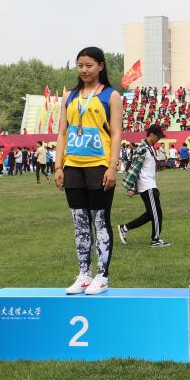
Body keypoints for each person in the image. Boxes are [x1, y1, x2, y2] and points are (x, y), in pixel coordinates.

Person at [54, 46, 123, 296]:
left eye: (89, 65)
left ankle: (102, 276)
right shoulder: (69, 97)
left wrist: (112, 166)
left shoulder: (111, 96)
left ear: (101, 66)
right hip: (73, 166)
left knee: (100, 221)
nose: (84, 70)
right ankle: (84, 274)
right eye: (80, 65)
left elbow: (116, 133)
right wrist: (58, 165)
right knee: (79, 222)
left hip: (99, 166)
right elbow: (62, 133)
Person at [118, 124, 170, 248]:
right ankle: (155, 240)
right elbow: (134, 168)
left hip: (150, 184)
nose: (159, 139)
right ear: (151, 134)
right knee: (156, 213)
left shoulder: (150, 147)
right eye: (158, 137)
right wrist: (131, 187)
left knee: (152, 213)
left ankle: (125, 228)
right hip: (147, 185)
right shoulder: (142, 148)